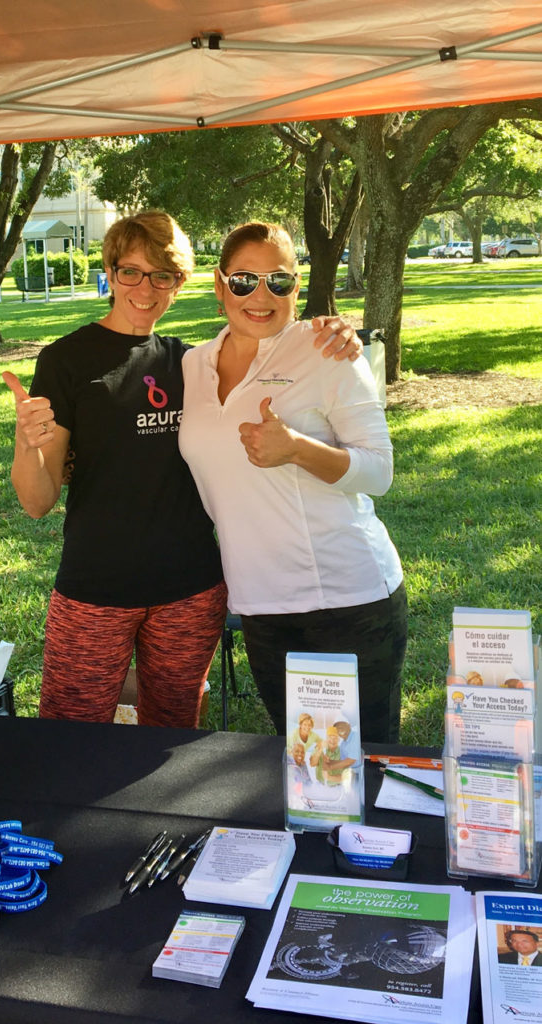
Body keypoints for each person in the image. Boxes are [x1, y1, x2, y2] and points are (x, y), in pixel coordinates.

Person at [4, 212, 361, 729]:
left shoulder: (191, 363)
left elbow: (269, 335)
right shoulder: (66, 361)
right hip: (95, 587)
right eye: (130, 271)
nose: (145, 289)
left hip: (189, 591)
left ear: (181, 282)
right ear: (110, 271)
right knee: (68, 734)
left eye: (162, 275)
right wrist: (26, 442)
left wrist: (335, 330)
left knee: (170, 739)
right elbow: (37, 502)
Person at [179, 220, 407, 744]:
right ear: (219, 285)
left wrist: (296, 450)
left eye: (278, 281)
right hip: (260, 604)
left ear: (297, 287)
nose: (261, 296)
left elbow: (379, 471)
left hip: (347, 599)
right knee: (306, 767)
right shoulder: (192, 365)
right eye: (244, 281)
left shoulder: (327, 352)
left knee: (361, 765)